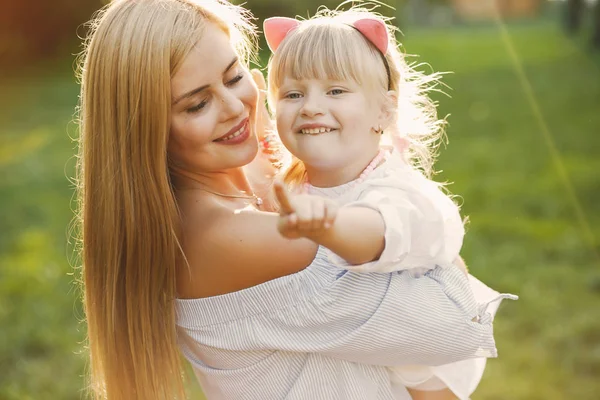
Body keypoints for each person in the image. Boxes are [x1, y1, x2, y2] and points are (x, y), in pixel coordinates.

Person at [75, 0, 504, 399]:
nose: (235, 108)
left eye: (234, 76)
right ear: (146, 131)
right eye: (197, 104)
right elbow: (455, 323)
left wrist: (265, 161)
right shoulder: (233, 238)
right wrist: (427, 238)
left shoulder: (236, 203)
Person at [263, 9, 516, 400]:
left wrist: (329, 227)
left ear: (383, 110)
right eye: (293, 94)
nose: (311, 106)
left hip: (425, 367)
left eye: (335, 91)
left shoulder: (397, 187)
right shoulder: (293, 188)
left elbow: (377, 231)